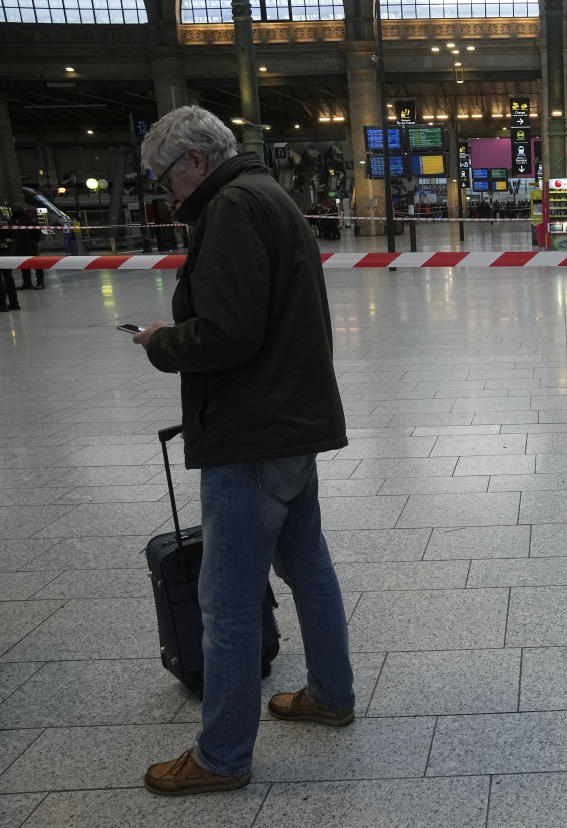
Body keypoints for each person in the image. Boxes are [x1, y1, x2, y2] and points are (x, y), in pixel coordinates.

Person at [132, 105, 355, 796]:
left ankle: (222, 757)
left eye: (164, 175)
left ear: (195, 160)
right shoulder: (268, 194)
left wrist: (163, 342)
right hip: (292, 419)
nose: (164, 190)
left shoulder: (229, 208)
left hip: (252, 430)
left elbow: (228, 333)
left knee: (226, 601)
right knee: (307, 567)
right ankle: (329, 693)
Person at [12, 207, 46, 290]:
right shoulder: (16, 220)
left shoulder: (29, 220)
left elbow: (37, 233)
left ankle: (40, 283)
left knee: (36, 264)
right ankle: (28, 283)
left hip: (29, 244)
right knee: (24, 265)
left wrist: (33, 240)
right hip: (23, 245)